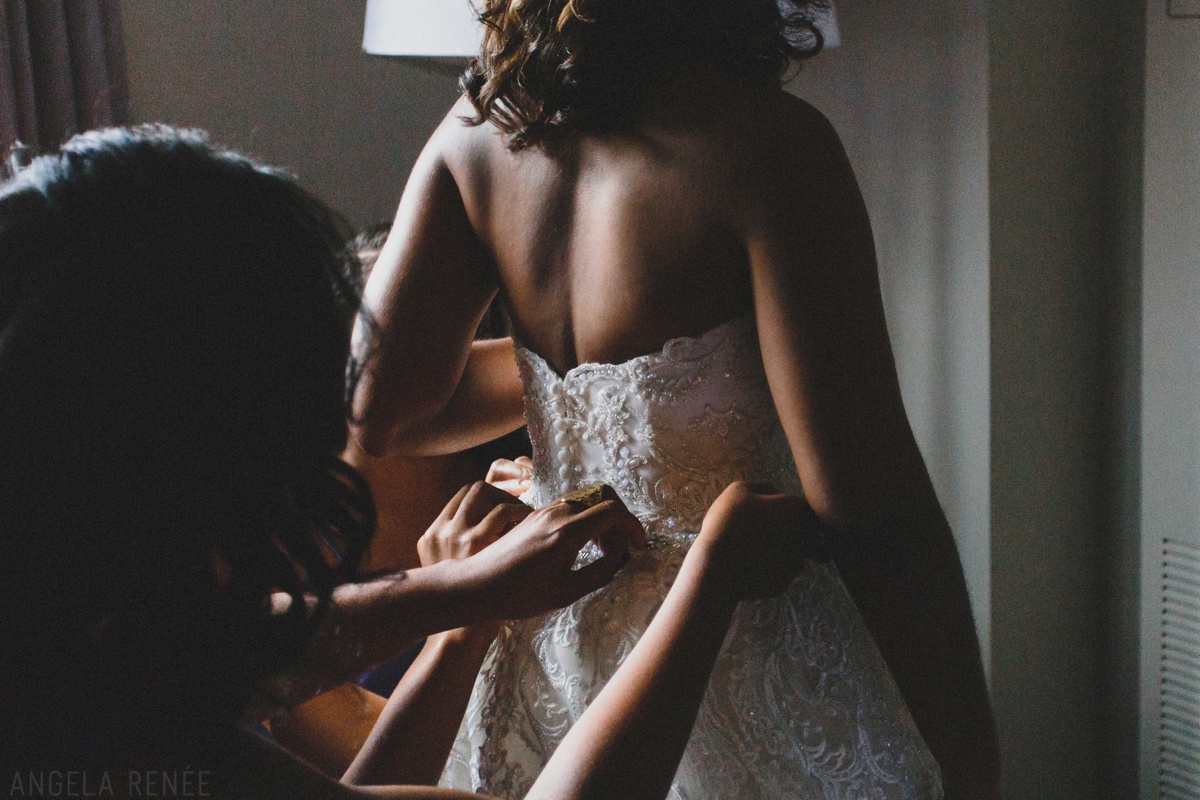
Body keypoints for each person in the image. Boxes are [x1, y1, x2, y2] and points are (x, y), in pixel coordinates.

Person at [0, 125, 825, 800]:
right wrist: (709, 582)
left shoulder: (66, 628)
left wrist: (464, 608)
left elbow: (224, 655)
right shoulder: (86, 743)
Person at [350, 0, 1001, 797]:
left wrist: (574, 382)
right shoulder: (768, 148)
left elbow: (382, 411)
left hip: (553, 654)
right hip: (737, 648)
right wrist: (969, 758)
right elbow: (872, 509)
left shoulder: (477, 135)